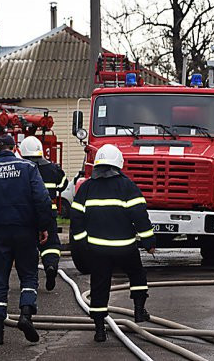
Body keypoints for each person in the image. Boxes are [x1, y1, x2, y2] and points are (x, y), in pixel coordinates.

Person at [0, 134, 54, 345]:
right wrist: (43, 226)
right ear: (14, 148)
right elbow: (42, 200)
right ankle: (25, 315)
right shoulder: (28, 169)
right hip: (26, 231)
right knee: (29, 276)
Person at [70, 144, 156, 343]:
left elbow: (76, 218)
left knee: (100, 286)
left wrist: (83, 244)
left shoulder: (86, 188)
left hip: (97, 251)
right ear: (119, 164)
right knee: (137, 274)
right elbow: (140, 217)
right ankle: (138, 311)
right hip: (125, 248)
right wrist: (149, 242)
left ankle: (100, 330)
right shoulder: (128, 186)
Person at [20, 136, 68, 291]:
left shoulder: (21, 168)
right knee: (51, 244)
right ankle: (51, 266)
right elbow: (63, 185)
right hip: (49, 214)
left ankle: (29, 281)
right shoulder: (53, 168)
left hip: (27, 215)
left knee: (28, 247)